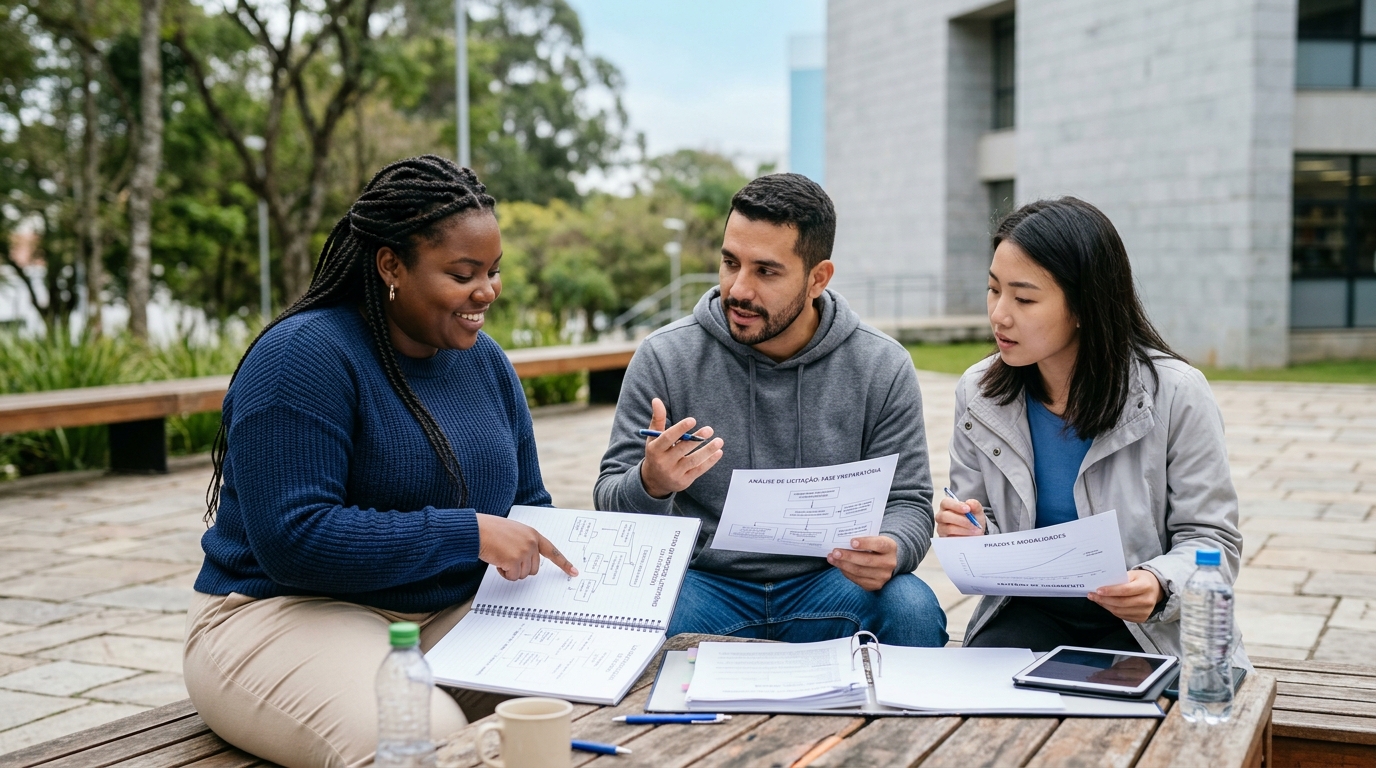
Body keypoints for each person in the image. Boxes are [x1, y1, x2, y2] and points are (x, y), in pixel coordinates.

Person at [183, 156, 578, 768]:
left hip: (448, 611)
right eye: (463, 273)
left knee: (577, 701)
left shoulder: (486, 363)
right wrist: (468, 533)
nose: (486, 292)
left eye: (493, 271)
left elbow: (528, 506)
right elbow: (293, 540)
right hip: (284, 610)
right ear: (391, 265)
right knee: (419, 735)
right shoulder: (301, 357)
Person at [595, 173, 947, 646]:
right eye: (730, 263)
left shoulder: (881, 365)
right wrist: (650, 482)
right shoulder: (665, 356)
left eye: (766, 271)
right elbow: (609, 502)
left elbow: (908, 502)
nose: (738, 289)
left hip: (830, 582)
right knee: (625, 621)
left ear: (818, 278)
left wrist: (894, 547)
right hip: (702, 585)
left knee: (913, 611)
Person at [938, 197, 1248, 666]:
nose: (999, 314)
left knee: (1127, 709)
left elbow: (1212, 541)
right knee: (980, 694)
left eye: (1024, 298)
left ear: (1085, 304)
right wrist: (971, 532)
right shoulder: (979, 392)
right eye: (993, 289)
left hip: (1145, 627)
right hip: (1030, 612)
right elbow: (987, 522)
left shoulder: (1176, 393)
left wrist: (1157, 584)